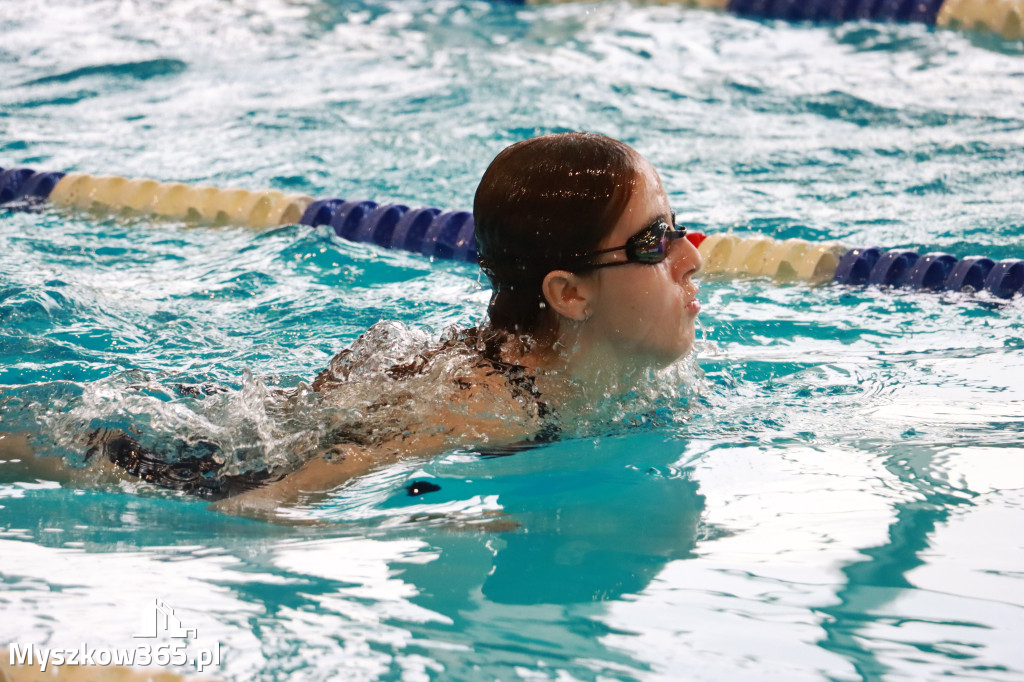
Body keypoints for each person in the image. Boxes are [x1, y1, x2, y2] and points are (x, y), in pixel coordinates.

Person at [0, 132, 703, 520]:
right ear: (569, 295)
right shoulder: (487, 409)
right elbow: (278, 500)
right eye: (653, 243)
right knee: (88, 459)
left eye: (676, 229)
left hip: (328, 412)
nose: (690, 259)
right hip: (227, 466)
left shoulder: (636, 379)